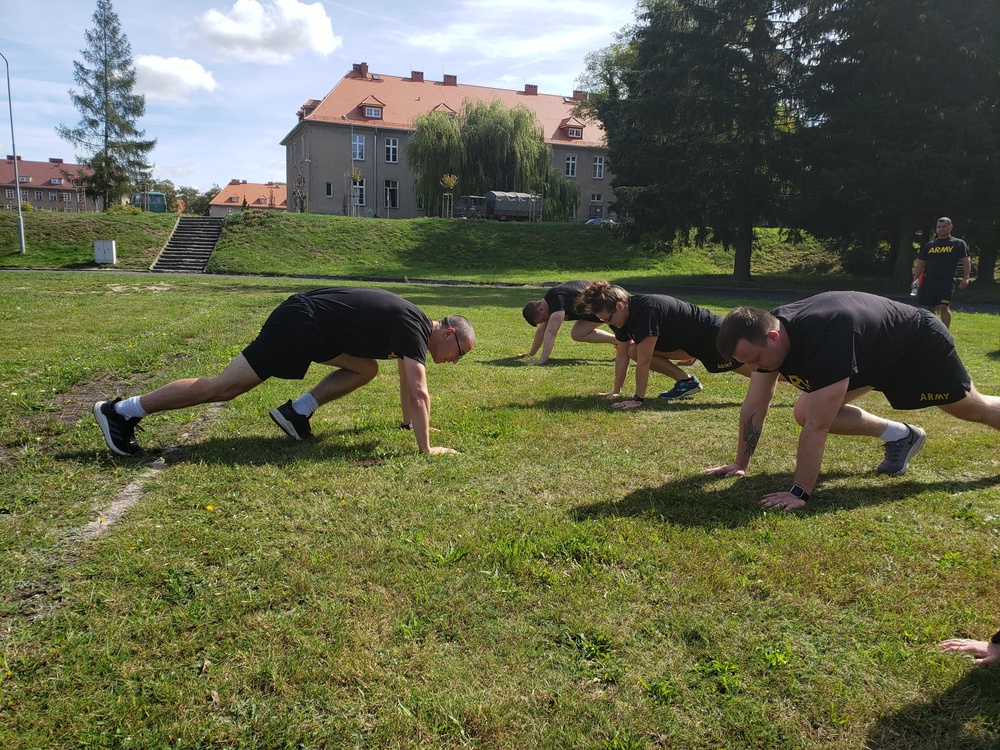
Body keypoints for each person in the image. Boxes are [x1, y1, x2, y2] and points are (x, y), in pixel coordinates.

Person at [93, 287, 475, 456]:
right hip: (302, 323)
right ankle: (121, 411)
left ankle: (296, 412)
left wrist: (411, 425)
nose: (455, 362)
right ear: (449, 332)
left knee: (366, 368)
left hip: (317, 327)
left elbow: (406, 383)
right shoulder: (413, 326)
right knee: (225, 387)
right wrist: (427, 449)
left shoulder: (412, 327)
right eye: (459, 353)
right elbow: (418, 391)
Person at [707, 291, 1000, 510]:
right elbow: (755, 404)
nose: (755, 369)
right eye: (748, 363)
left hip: (917, 344)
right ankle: (904, 436)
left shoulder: (823, 338)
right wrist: (740, 463)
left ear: (772, 337)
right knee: (804, 410)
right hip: (873, 352)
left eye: (756, 360)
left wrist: (799, 493)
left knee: (969, 408)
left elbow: (816, 427)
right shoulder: (768, 338)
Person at [576, 281, 752, 409]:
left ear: (620, 306)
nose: (609, 324)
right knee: (633, 350)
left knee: (762, 372)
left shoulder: (647, 311)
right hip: (687, 344)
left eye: (608, 319)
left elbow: (644, 362)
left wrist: (638, 399)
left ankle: (779, 375)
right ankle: (687, 382)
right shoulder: (621, 320)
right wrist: (615, 391)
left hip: (714, 338)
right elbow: (622, 355)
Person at [518, 280, 618, 364]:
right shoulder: (549, 302)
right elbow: (541, 331)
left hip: (605, 305)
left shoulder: (557, 300)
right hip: (591, 311)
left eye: (543, 319)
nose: (545, 321)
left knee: (624, 331)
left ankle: (624, 344)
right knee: (577, 333)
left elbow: (551, 332)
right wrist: (531, 354)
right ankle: (616, 341)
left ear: (540, 310)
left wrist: (542, 360)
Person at [912, 216, 971, 329]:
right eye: (938, 227)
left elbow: (966, 260)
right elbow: (921, 263)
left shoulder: (958, 243)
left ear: (950, 227)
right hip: (929, 280)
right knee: (930, 308)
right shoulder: (930, 245)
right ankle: (934, 330)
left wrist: (966, 277)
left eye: (944, 227)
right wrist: (915, 279)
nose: (941, 229)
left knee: (944, 306)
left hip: (946, 280)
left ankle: (945, 332)